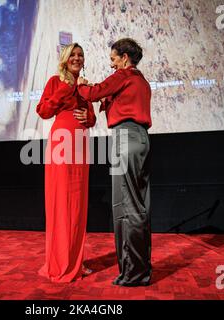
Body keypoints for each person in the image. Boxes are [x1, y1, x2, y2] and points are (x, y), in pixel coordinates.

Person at [77, 38, 152, 286]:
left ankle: (134, 273)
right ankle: (139, 269)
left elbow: (95, 91)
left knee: (126, 205)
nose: (112, 64)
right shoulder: (141, 81)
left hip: (125, 138)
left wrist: (81, 86)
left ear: (125, 58)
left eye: (113, 59)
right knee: (138, 204)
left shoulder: (125, 75)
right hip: (140, 139)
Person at [36, 43, 96, 282]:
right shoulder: (55, 81)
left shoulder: (85, 85)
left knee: (78, 204)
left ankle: (75, 261)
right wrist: (66, 88)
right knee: (61, 202)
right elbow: (43, 111)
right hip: (61, 146)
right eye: (73, 54)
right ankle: (59, 262)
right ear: (65, 58)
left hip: (80, 145)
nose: (77, 58)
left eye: (80, 55)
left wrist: (88, 116)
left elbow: (91, 117)